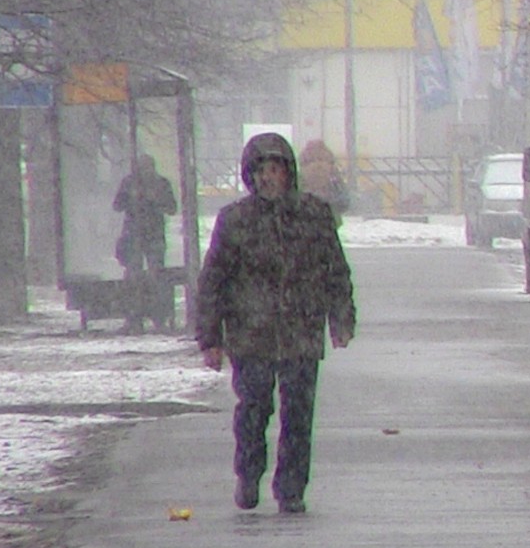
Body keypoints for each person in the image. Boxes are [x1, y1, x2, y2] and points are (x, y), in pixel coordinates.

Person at [196, 133, 357, 514]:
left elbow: (335, 270)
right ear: (250, 176)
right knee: (253, 409)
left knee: (298, 414)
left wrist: (341, 318)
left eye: (276, 170)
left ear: (289, 173)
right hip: (250, 335)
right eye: (261, 171)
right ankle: (249, 474)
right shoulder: (235, 220)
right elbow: (213, 280)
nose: (269, 178)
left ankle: (291, 487)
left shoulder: (313, 216)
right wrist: (210, 338)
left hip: (300, 333)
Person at [112, 153, 178, 333]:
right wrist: (131, 198)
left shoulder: (161, 184)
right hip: (136, 236)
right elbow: (117, 205)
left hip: (152, 236)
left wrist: (155, 200)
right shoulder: (129, 183)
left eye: (148, 167)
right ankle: (135, 318)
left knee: (156, 276)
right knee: (135, 276)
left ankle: (157, 318)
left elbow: (171, 208)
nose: (145, 172)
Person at [298, 138, 349, 216]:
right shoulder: (290, 198)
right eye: (311, 161)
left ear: (332, 167)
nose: (318, 165)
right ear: (302, 168)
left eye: (322, 159)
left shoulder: (343, 196)